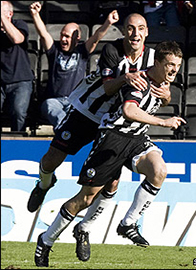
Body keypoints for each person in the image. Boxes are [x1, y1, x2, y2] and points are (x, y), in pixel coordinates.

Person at [27, 13, 171, 265]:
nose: (135, 34)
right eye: (129, 29)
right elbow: (106, 88)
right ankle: (43, 184)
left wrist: (166, 94)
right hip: (87, 112)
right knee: (52, 159)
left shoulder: (153, 57)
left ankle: (85, 229)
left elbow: (163, 94)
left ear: (147, 32)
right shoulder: (112, 50)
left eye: (140, 29)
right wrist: (126, 78)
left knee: (112, 183)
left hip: (116, 126)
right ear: (124, 32)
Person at [29, 2, 119, 130]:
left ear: (77, 39)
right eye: (62, 35)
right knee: (49, 105)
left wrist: (108, 23)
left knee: (81, 113)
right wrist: (35, 14)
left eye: (67, 36)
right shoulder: (54, 51)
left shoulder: (82, 52)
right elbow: (43, 34)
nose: (63, 39)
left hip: (75, 102)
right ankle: (64, 129)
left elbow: (95, 38)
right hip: (55, 101)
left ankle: (66, 132)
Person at [1, 1, 34, 132]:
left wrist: (2, 18)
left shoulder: (19, 24)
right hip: (1, 81)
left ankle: (18, 142)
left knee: (18, 112)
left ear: (10, 14)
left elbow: (17, 39)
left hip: (21, 80)